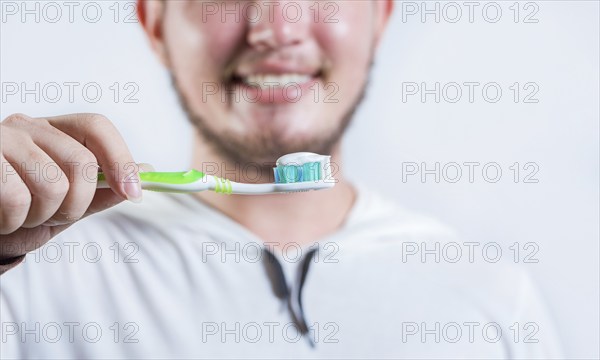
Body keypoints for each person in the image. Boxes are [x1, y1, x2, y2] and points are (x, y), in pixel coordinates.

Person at [0, 1, 561, 358]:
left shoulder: (488, 299)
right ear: (155, 24)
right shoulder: (30, 269)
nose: (277, 27)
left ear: (381, 18)